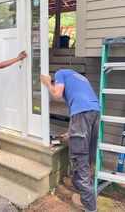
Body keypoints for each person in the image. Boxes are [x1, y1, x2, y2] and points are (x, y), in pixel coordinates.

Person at [40, 69, 101, 212]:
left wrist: (47, 82)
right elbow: (82, 108)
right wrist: (71, 131)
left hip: (82, 114)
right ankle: (76, 183)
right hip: (95, 112)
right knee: (88, 153)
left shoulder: (61, 73)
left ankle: (88, 204)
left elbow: (57, 94)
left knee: (79, 157)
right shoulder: (79, 78)